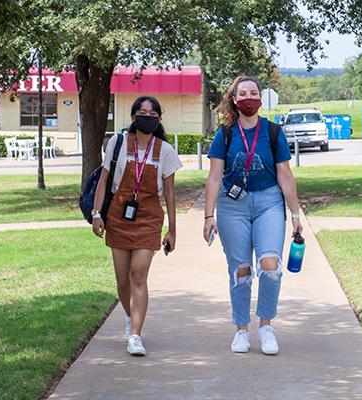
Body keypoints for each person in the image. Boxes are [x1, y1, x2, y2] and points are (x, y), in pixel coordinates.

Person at [203, 76, 303, 355]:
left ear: (260, 98)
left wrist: (295, 214)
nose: (249, 97)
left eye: (254, 92)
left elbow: (285, 174)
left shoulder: (273, 132)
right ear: (234, 100)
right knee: (240, 270)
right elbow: (213, 178)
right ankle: (241, 331)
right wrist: (208, 216)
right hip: (232, 205)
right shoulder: (225, 134)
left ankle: (266, 327)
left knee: (270, 267)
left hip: (269, 202)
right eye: (242, 93)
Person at [92, 96, 182, 356]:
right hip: (118, 216)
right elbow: (104, 181)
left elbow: (170, 193)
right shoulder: (117, 143)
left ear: (159, 119)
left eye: (152, 113)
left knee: (138, 275)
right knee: (123, 281)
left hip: (149, 217)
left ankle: (135, 335)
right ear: (133, 117)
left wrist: (172, 230)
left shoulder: (165, 150)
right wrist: (97, 213)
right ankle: (132, 317)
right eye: (142, 112)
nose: (147, 116)